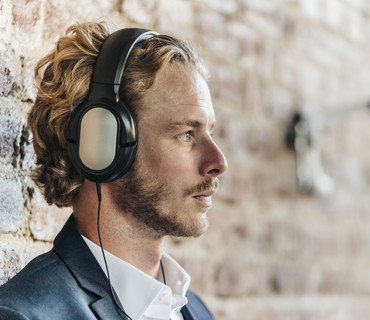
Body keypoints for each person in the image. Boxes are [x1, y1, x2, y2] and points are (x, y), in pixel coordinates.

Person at [0, 21, 227, 320]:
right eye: (186, 133)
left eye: (209, 131)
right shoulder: (26, 313)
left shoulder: (196, 310)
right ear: (104, 145)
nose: (219, 162)